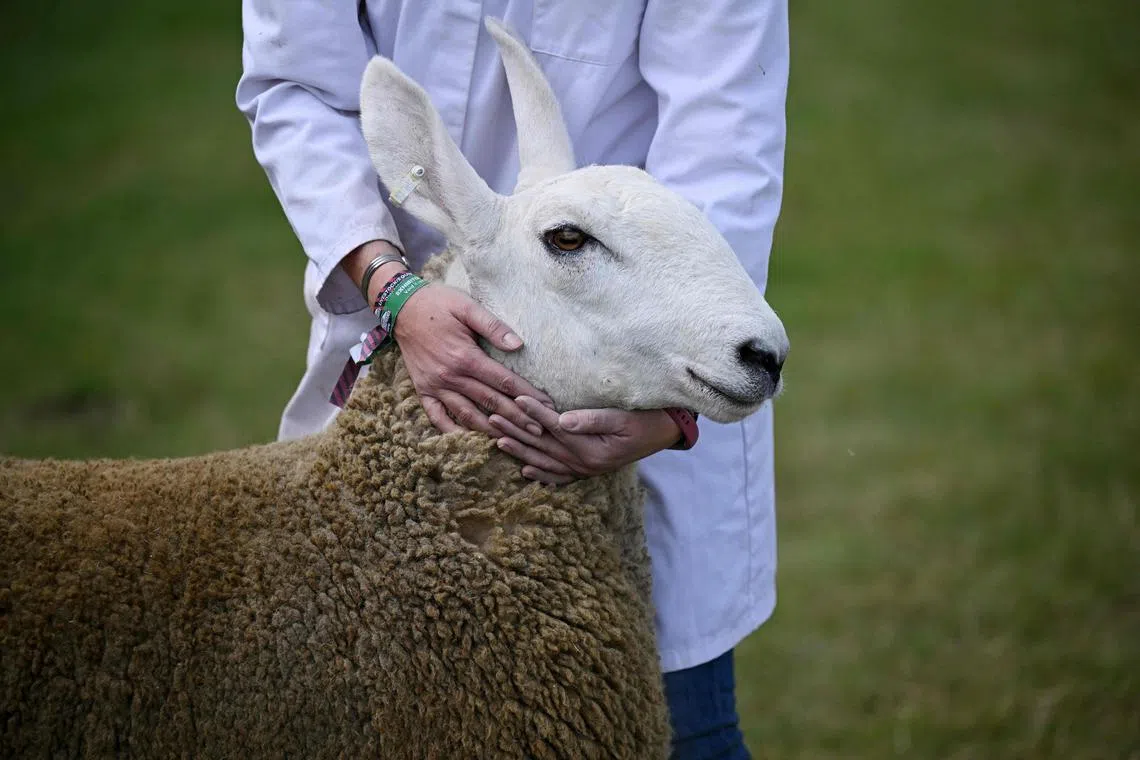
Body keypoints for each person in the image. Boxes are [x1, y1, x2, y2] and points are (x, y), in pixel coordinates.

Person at [237, 2, 787, 756]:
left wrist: (672, 414)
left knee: (675, 732)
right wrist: (392, 287)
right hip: (399, 312)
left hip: (638, 355)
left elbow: (725, 141)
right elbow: (295, 83)